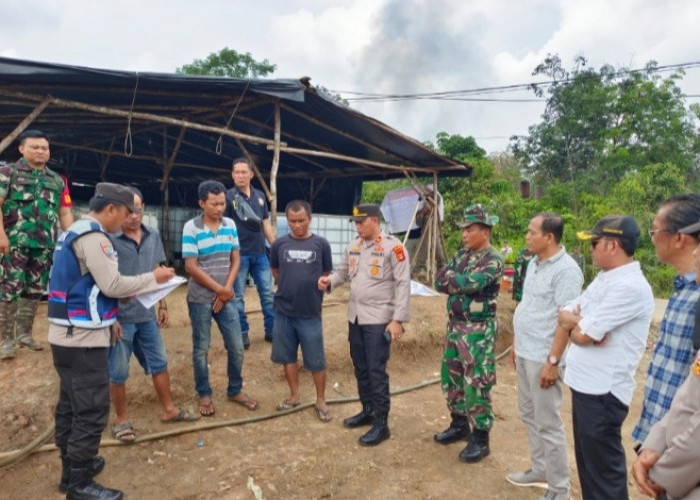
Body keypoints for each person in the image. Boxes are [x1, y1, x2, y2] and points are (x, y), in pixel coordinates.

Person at [48, 182, 175, 500]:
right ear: (110, 210)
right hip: (81, 339)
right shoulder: (95, 237)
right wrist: (153, 279)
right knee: (91, 410)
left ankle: (72, 470)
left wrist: (108, 320)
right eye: (125, 213)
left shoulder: (73, 231)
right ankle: (79, 485)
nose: (127, 220)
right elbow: (113, 284)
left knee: (70, 406)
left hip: (68, 333)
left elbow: (89, 286)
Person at [557, 215, 654, 500]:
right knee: (589, 469)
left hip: (603, 393)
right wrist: (579, 326)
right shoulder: (606, 278)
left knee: (604, 478)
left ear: (612, 246)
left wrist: (578, 326)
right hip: (587, 388)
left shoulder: (630, 287)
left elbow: (581, 332)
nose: (591, 249)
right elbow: (567, 314)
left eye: (595, 243)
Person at [108, 187, 199, 443]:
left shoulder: (153, 234)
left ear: (143, 208)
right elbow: (104, 282)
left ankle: (169, 409)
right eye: (128, 211)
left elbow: (157, 269)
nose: (133, 216)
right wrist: (110, 317)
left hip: (146, 314)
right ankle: (122, 420)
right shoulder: (110, 239)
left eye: (137, 209)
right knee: (118, 371)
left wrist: (163, 304)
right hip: (120, 317)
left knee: (159, 362)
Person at [317, 203, 410, 446]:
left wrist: (397, 320)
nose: (357, 227)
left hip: (379, 320)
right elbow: (342, 274)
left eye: (361, 222)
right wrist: (329, 282)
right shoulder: (354, 246)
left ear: (374, 221)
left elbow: (403, 284)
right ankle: (368, 409)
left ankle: (382, 423)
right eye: (355, 223)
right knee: (360, 367)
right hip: (355, 317)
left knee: (376, 370)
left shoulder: (394, 247)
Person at [506, 213, 583, 500]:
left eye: (531, 232)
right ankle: (540, 469)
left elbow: (566, 320)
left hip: (544, 357)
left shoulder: (567, 271)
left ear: (549, 237)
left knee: (549, 423)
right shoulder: (533, 264)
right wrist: (516, 342)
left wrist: (552, 362)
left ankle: (560, 490)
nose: (527, 236)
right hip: (526, 351)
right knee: (528, 413)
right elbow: (527, 307)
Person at [433, 204, 504, 464]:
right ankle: (459, 423)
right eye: (463, 229)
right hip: (455, 326)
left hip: (479, 331)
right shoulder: (462, 255)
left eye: (469, 229)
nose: (464, 234)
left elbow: (470, 283)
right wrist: (456, 280)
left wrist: (456, 280)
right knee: (451, 377)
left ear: (484, 231)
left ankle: (480, 438)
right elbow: (439, 280)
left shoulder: (493, 259)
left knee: (477, 381)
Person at [183, 180, 258, 417]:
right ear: (201, 203)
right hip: (200, 298)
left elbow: (235, 259)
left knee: (236, 346)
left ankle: (234, 389)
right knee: (201, 348)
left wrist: (226, 290)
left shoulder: (230, 225)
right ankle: (204, 394)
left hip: (225, 297)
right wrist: (221, 290)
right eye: (214, 204)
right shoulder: (191, 228)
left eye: (222, 203)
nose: (219, 208)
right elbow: (191, 267)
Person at [632, 194, 700, 447]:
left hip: (680, 443)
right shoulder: (682, 289)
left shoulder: (697, 296)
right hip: (660, 434)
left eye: (655, 230)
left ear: (679, 238)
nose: (652, 238)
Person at [0, 129, 74, 359]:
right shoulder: (7, 173)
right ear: (21, 149)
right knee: (9, 290)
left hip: (43, 246)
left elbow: (65, 213)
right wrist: (1, 236)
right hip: (13, 243)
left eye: (44, 148)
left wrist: (71, 241)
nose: (41, 151)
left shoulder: (57, 180)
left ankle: (24, 334)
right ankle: (5, 341)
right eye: (35, 147)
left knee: (34, 291)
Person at [270, 200, 333, 421]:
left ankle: (321, 400)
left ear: (310, 219)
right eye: (292, 221)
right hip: (283, 312)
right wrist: (289, 284)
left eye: (301, 220)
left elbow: (326, 272)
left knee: (316, 359)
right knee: (287, 357)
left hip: (310, 313)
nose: (297, 225)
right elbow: (275, 270)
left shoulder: (321, 245)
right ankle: (294, 396)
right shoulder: (279, 245)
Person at [224, 157, 276, 349]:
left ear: (251, 174)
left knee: (268, 294)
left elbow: (265, 225)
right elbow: (223, 226)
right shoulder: (228, 197)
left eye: (244, 172)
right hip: (238, 255)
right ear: (232, 175)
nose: (240, 176)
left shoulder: (260, 196)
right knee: (237, 296)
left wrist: (275, 248)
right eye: (236, 172)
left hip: (260, 253)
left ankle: (272, 331)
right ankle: (242, 333)